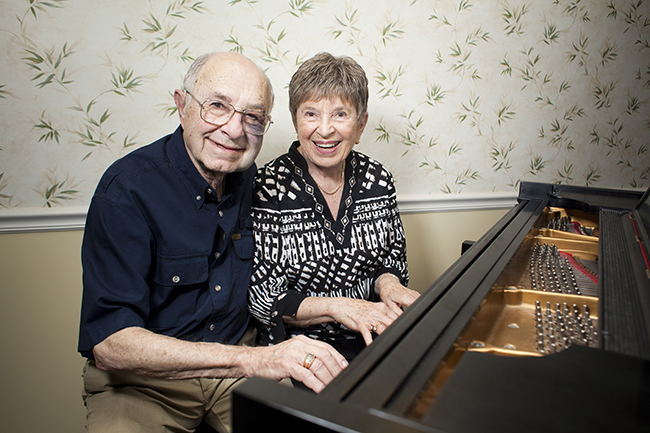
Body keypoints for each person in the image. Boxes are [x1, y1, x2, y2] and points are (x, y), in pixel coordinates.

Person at [77, 51, 348, 433]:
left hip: (237, 367)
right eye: (217, 106)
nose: (235, 130)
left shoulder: (251, 179)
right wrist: (257, 361)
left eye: (252, 117)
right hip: (143, 384)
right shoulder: (126, 192)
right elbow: (110, 344)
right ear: (181, 105)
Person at [249, 52, 420, 363]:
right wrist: (339, 307)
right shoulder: (268, 187)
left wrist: (389, 284)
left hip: (373, 340)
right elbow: (264, 298)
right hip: (298, 353)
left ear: (361, 123)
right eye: (311, 114)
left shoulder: (378, 179)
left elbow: (392, 263)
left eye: (340, 115)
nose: (325, 130)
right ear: (295, 120)